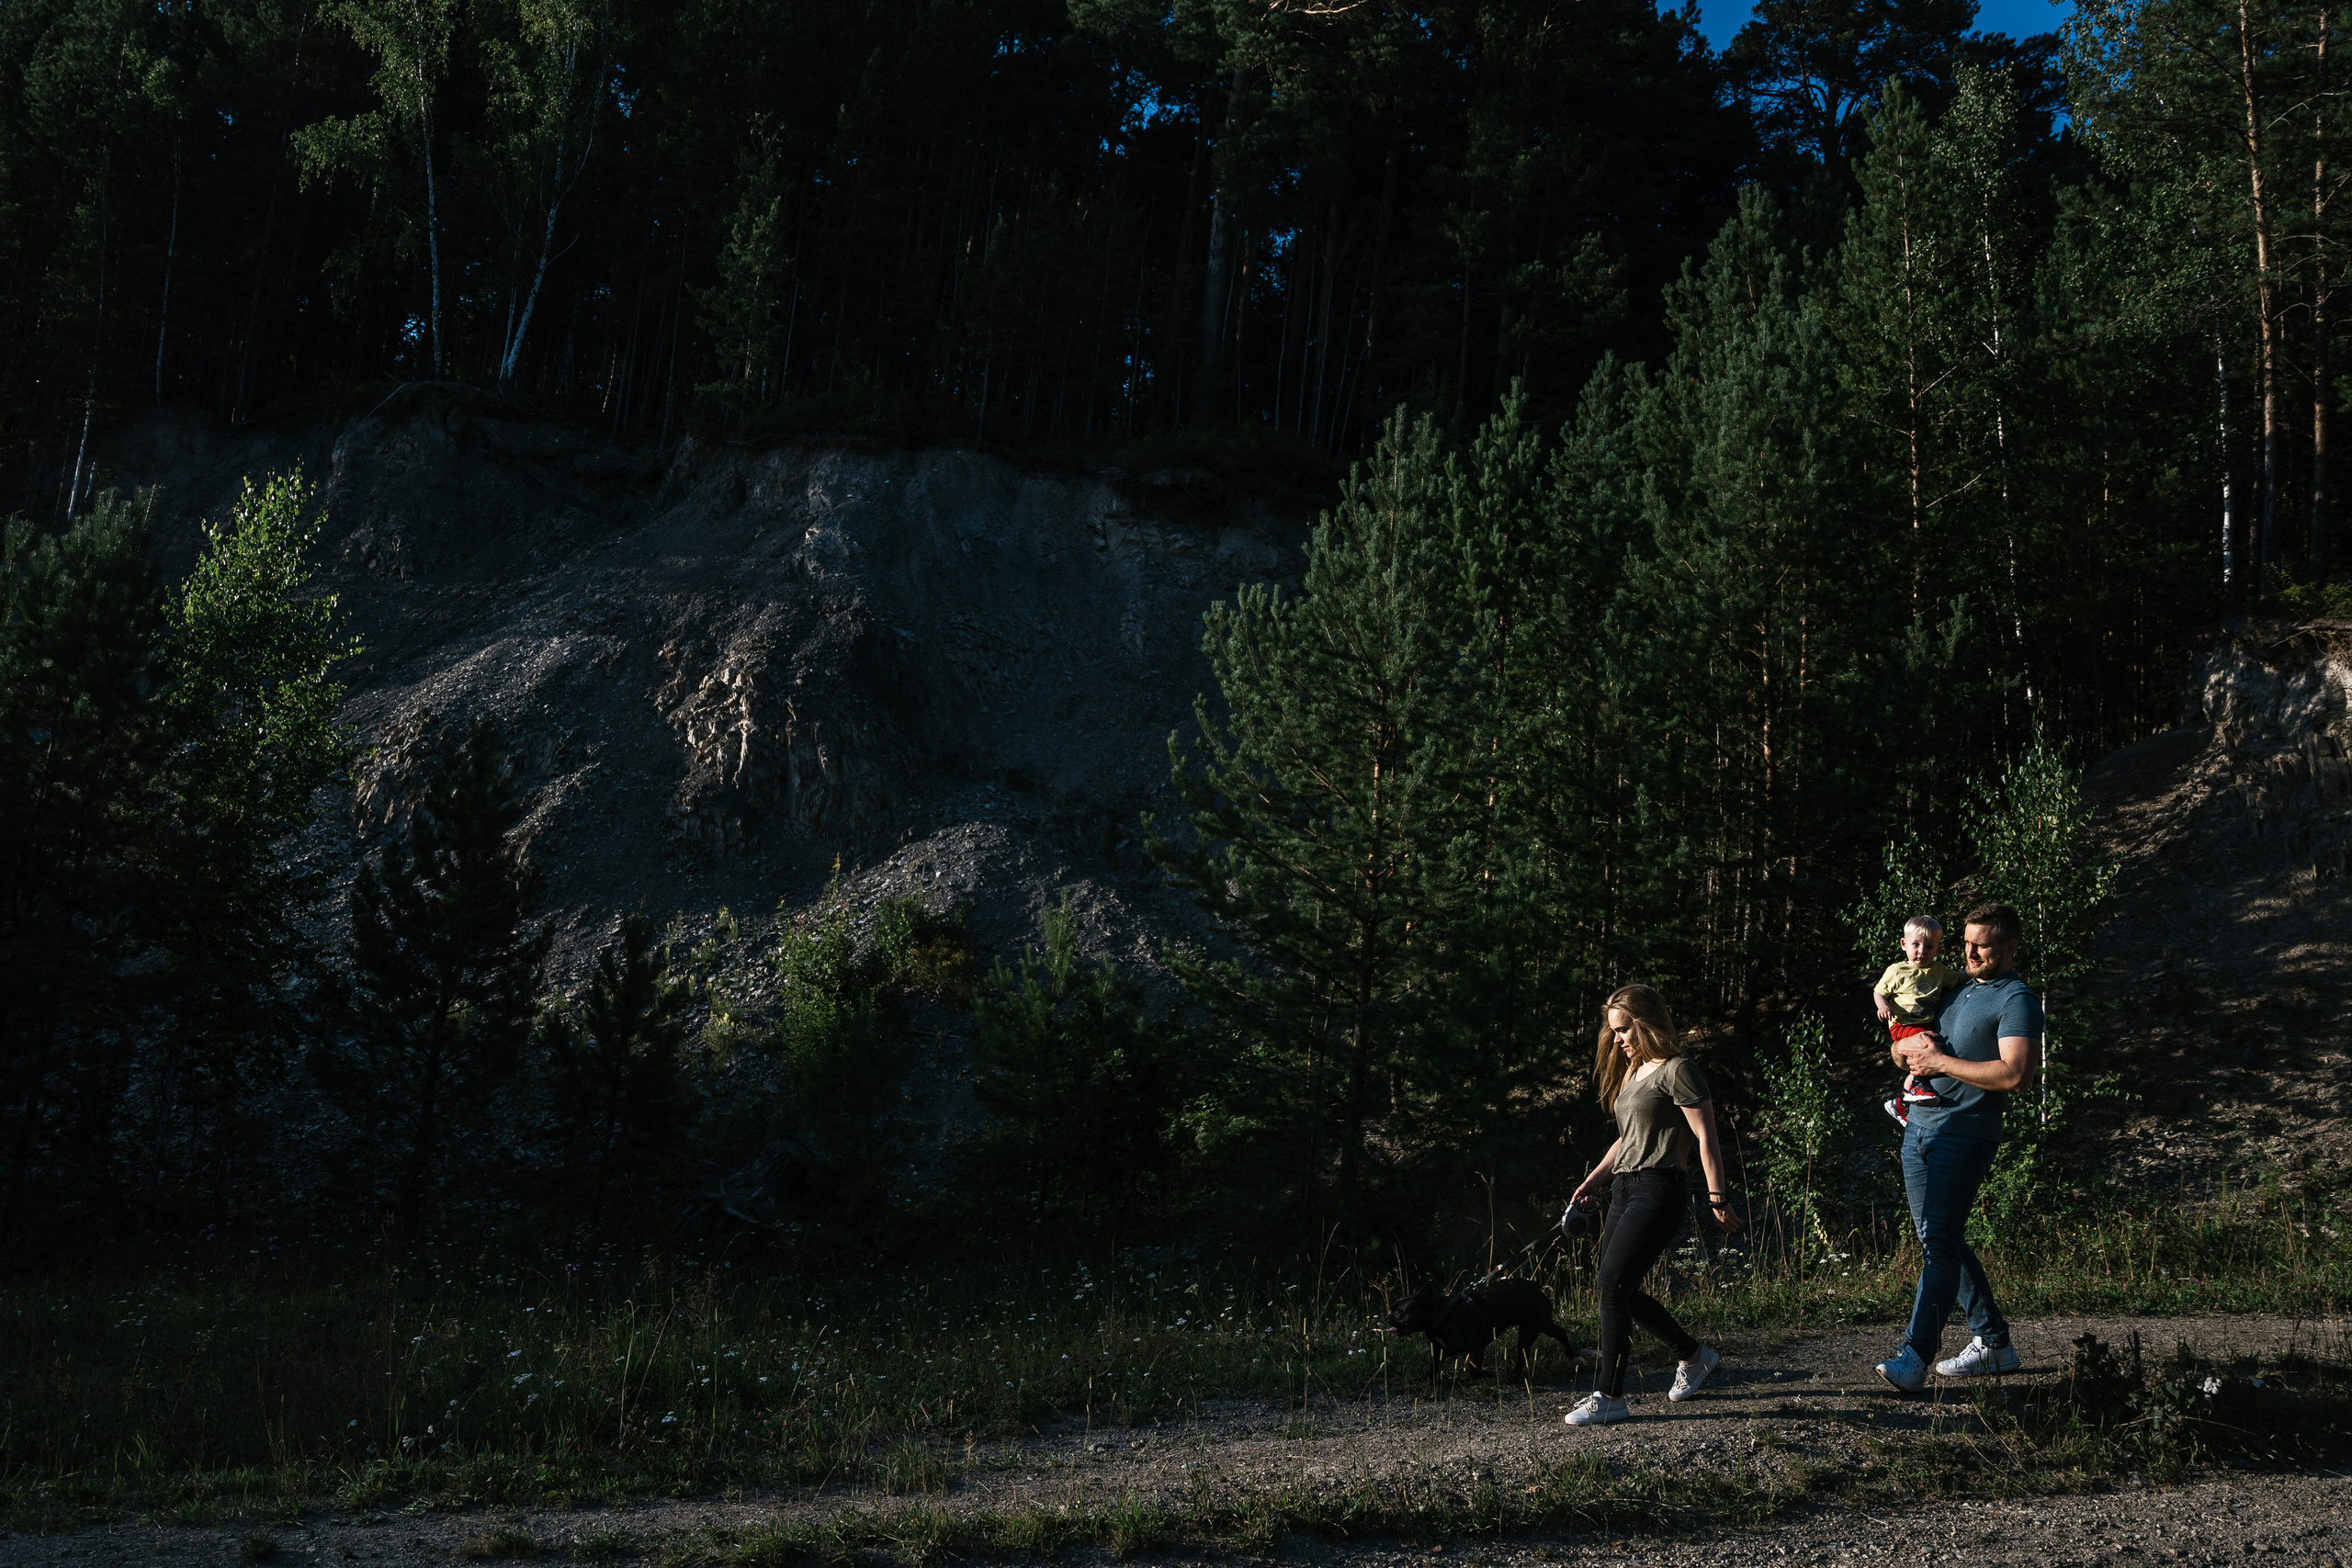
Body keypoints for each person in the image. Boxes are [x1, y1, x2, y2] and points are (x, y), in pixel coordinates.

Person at [1873, 902, 2042, 1392]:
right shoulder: (1954, 987)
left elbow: (2016, 1074)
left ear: (2009, 948)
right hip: (1918, 1127)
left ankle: (1915, 1356)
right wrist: (1905, 1051)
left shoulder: (2017, 1000)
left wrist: (1942, 1063)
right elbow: (1904, 1045)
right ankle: (1994, 1344)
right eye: (1966, 942)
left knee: (1940, 1240)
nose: (1970, 952)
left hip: (1965, 1133)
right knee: (1937, 1239)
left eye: (1982, 945)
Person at [1561, 984, 1741, 1427]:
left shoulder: (1679, 1070)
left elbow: (1706, 1136)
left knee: (1611, 1285)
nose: (1618, 1040)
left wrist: (1716, 1197)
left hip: (1659, 1188)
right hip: (1623, 1187)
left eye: (1624, 1030)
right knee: (1617, 1287)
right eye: (1615, 1032)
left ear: (1645, 1022)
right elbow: (1628, 1136)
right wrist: (1593, 1178)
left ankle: (1609, 1396)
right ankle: (1694, 1356)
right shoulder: (1633, 1073)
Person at [1874, 915, 1965, 1126]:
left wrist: (1976, 973)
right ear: (1904, 944)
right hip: (1902, 1024)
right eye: (1915, 944)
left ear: (1938, 950)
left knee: (1929, 1050)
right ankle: (1916, 1089)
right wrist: (1883, 1006)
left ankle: (1902, 1101)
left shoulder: (1939, 971)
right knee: (1928, 1047)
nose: (1921, 951)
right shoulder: (1897, 971)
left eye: (1929, 946)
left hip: (1924, 1025)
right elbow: (1879, 991)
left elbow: (1959, 978)